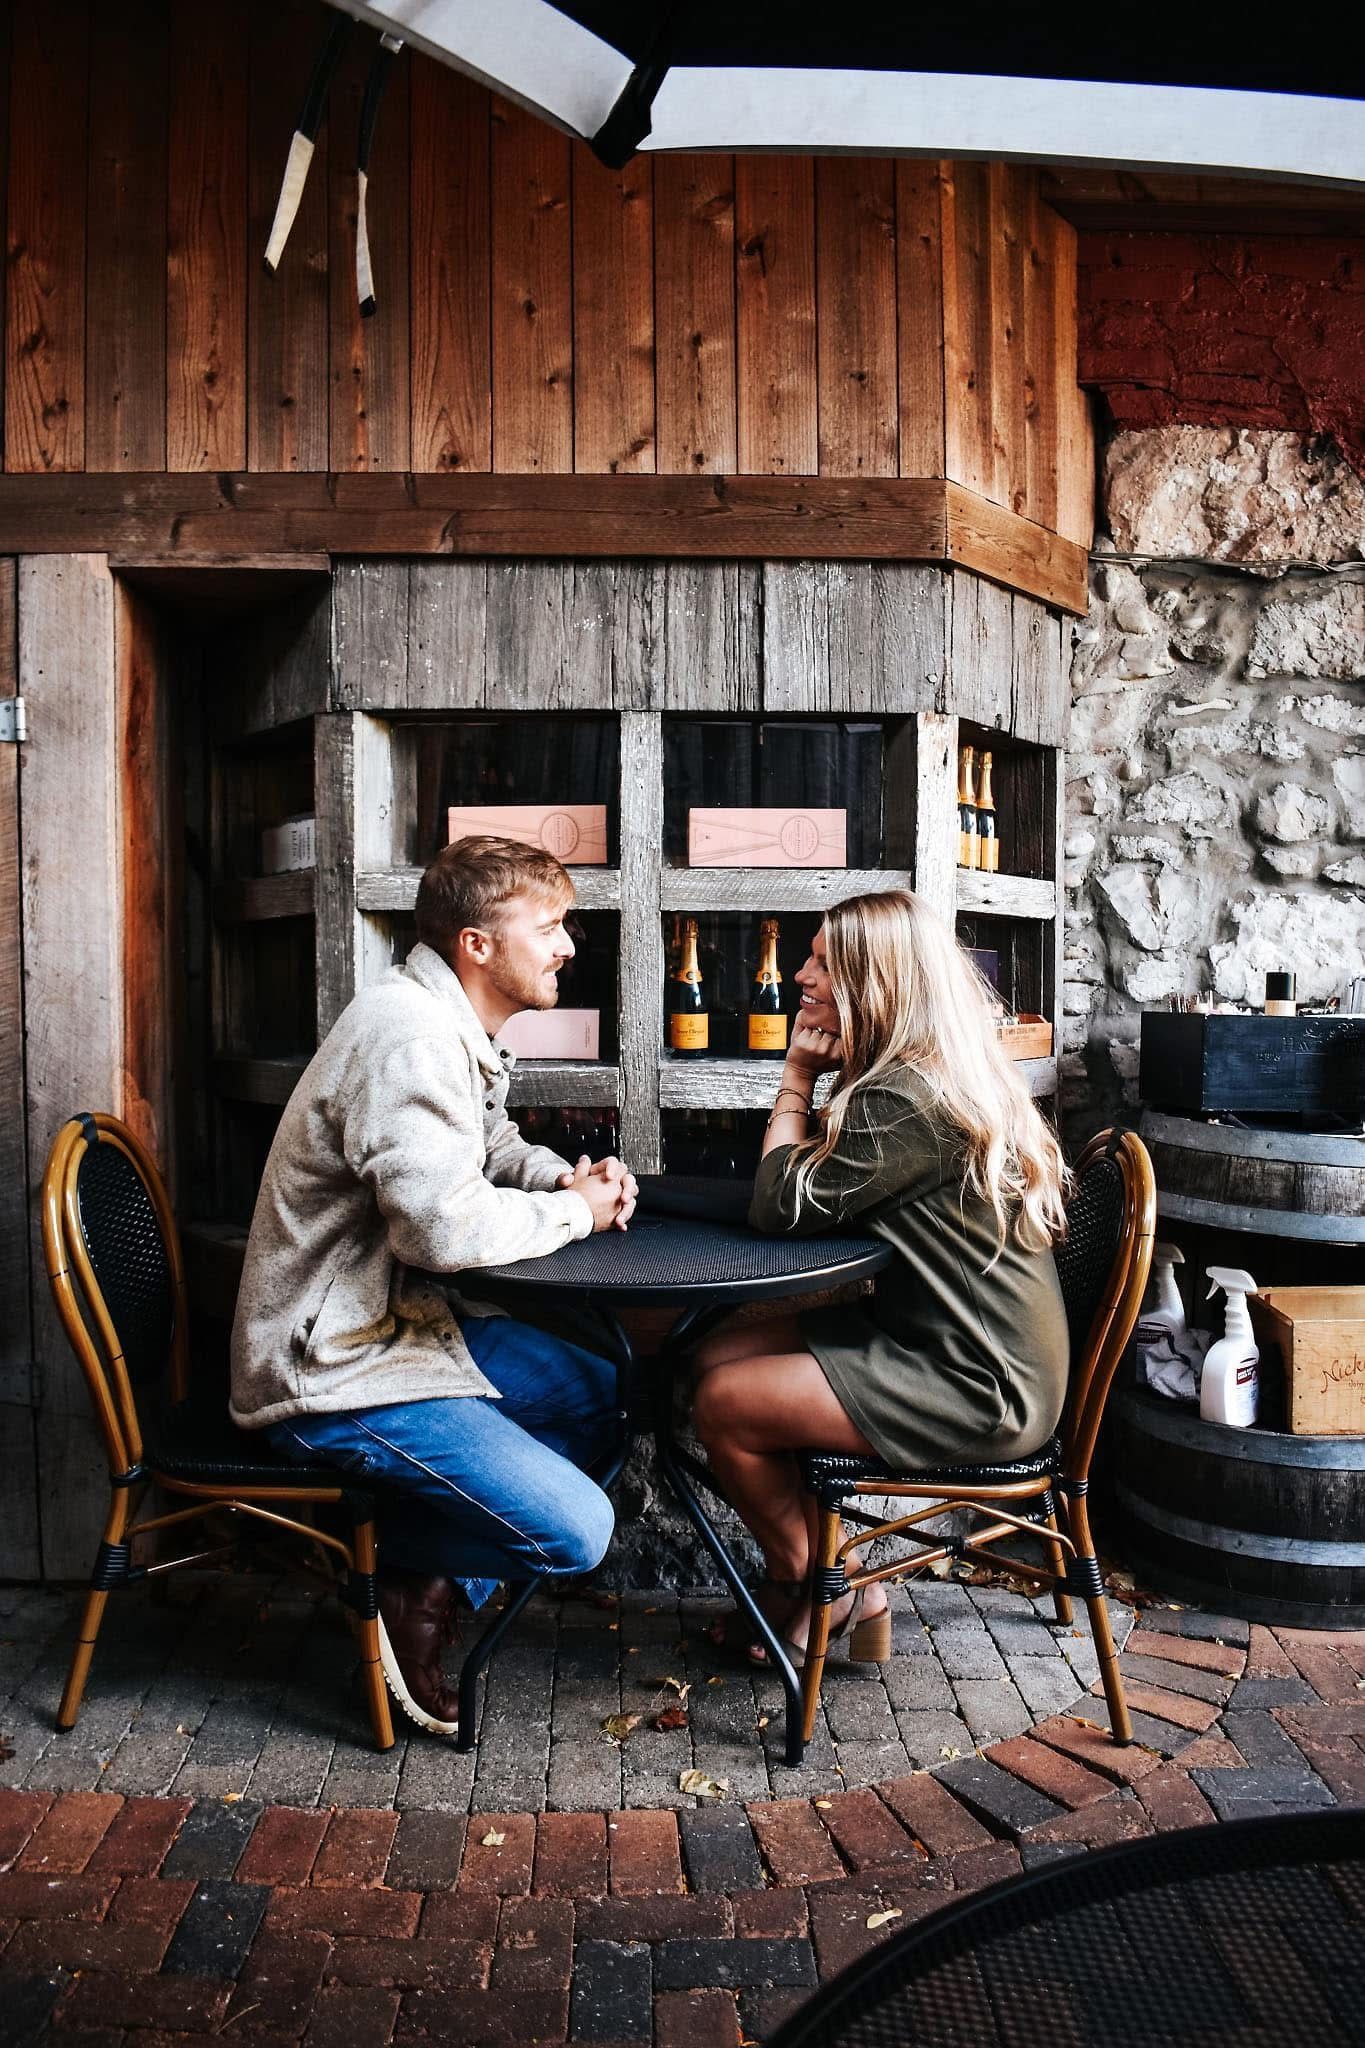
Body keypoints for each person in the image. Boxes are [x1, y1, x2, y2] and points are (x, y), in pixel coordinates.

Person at [230, 836, 638, 1737]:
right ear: (477, 945)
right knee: (578, 1530)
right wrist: (574, 1217)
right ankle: (393, 1575)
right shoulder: (408, 1035)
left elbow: (481, 1148)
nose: (568, 945)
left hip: (399, 1328)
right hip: (331, 1370)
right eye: (550, 927)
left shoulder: (443, 1016)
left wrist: (562, 1180)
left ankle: (424, 1576)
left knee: (604, 1397)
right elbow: (442, 1229)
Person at [692, 888, 1070, 1667]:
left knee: (723, 1402)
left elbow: (778, 1204)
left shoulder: (904, 1097)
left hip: (979, 1382)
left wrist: (796, 1073)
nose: (800, 976)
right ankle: (822, 1579)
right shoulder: (920, 1075)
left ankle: (823, 1583)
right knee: (709, 1355)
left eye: (824, 963)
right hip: (941, 1341)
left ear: (877, 982)